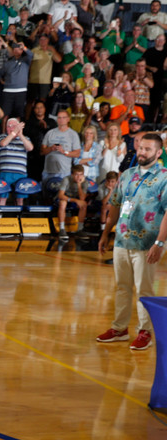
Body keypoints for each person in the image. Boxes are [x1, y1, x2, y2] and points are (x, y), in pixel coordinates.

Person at [97, 133, 167, 352]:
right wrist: (106, 233)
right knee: (122, 287)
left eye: (148, 149)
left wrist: (160, 243)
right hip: (122, 239)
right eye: (140, 148)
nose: (142, 152)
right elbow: (115, 205)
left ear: (158, 152)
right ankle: (119, 328)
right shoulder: (127, 175)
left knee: (144, 289)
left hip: (148, 242)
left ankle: (145, 331)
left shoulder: (165, 177)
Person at [41, 109, 81, 200]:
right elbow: (42, 151)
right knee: (46, 198)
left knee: (62, 199)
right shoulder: (50, 133)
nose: (61, 119)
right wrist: (51, 148)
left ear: (68, 119)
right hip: (48, 171)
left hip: (64, 172)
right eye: (59, 117)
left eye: (63, 117)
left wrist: (64, 152)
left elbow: (77, 153)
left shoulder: (73, 134)